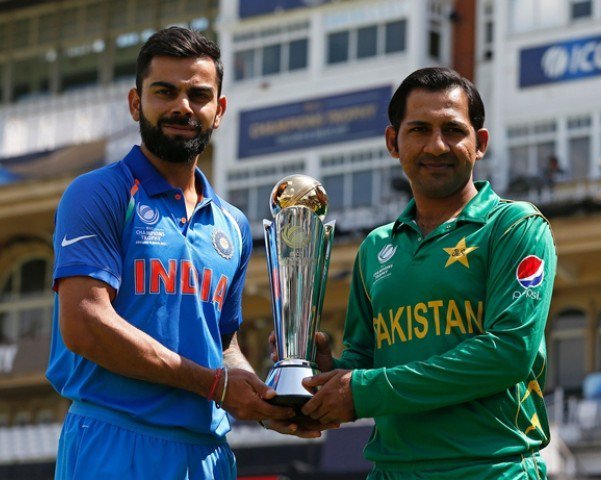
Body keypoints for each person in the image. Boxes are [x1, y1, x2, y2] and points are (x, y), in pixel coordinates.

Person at [273, 67, 557, 479]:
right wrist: (319, 373)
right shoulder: (376, 248)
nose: (437, 146)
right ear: (394, 142)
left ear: (481, 144)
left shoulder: (514, 226)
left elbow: (509, 352)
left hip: (492, 468)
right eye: (420, 129)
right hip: (391, 470)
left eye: (454, 130)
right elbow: (365, 360)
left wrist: (362, 390)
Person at [46, 27, 296, 479]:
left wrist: (261, 396)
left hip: (208, 452)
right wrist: (216, 385)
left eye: (198, 95)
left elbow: (222, 344)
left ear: (218, 111)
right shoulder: (99, 193)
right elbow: (85, 324)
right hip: (115, 442)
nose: (183, 106)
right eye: (165, 92)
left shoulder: (232, 224)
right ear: (135, 103)